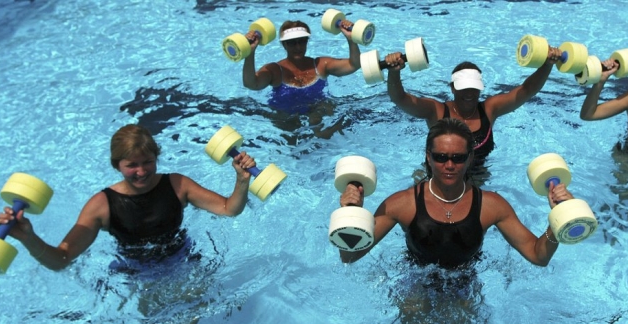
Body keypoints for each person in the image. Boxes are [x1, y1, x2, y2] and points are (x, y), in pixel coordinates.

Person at [0, 124, 257, 271]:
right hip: (138, 273)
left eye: (148, 162)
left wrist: (242, 180)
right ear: (116, 165)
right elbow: (61, 259)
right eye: (132, 165)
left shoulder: (178, 184)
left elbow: (228, 209)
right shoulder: (101, 205)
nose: (141, 171)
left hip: (185, 259)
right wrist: (28, 237)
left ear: (156, 158)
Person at [338, 118, 574, 268]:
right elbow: (349, 256)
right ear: (428, 157)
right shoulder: (402, 204)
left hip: (465, 283)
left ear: (470, 158)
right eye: (440, 157)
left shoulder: (491, 206)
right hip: (415, 282)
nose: (449, 165)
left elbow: (538, 256)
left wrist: (558, 219)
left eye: (458, 158)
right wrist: (351, 212)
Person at [384, 48, 563, 166]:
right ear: (452, 88)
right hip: (434, 176)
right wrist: (394, 72)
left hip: (477, 177)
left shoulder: (490, 109)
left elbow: (527, 90)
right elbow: (400, 98)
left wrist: (547, 65)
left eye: (474, 88)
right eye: (463, 88)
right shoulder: (436, 111)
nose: (469, 93)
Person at [242, 20, 361, 141]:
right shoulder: (275, 70)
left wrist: (351, 39)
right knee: (290, 131)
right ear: (284, 44)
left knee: (326, 108)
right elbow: (251, 83)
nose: (298, 47)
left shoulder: (320, 65)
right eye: (292, 43)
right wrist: (250, 52)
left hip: (316, 111)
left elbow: (354, 65)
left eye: (302, 41)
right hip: (285, 117)